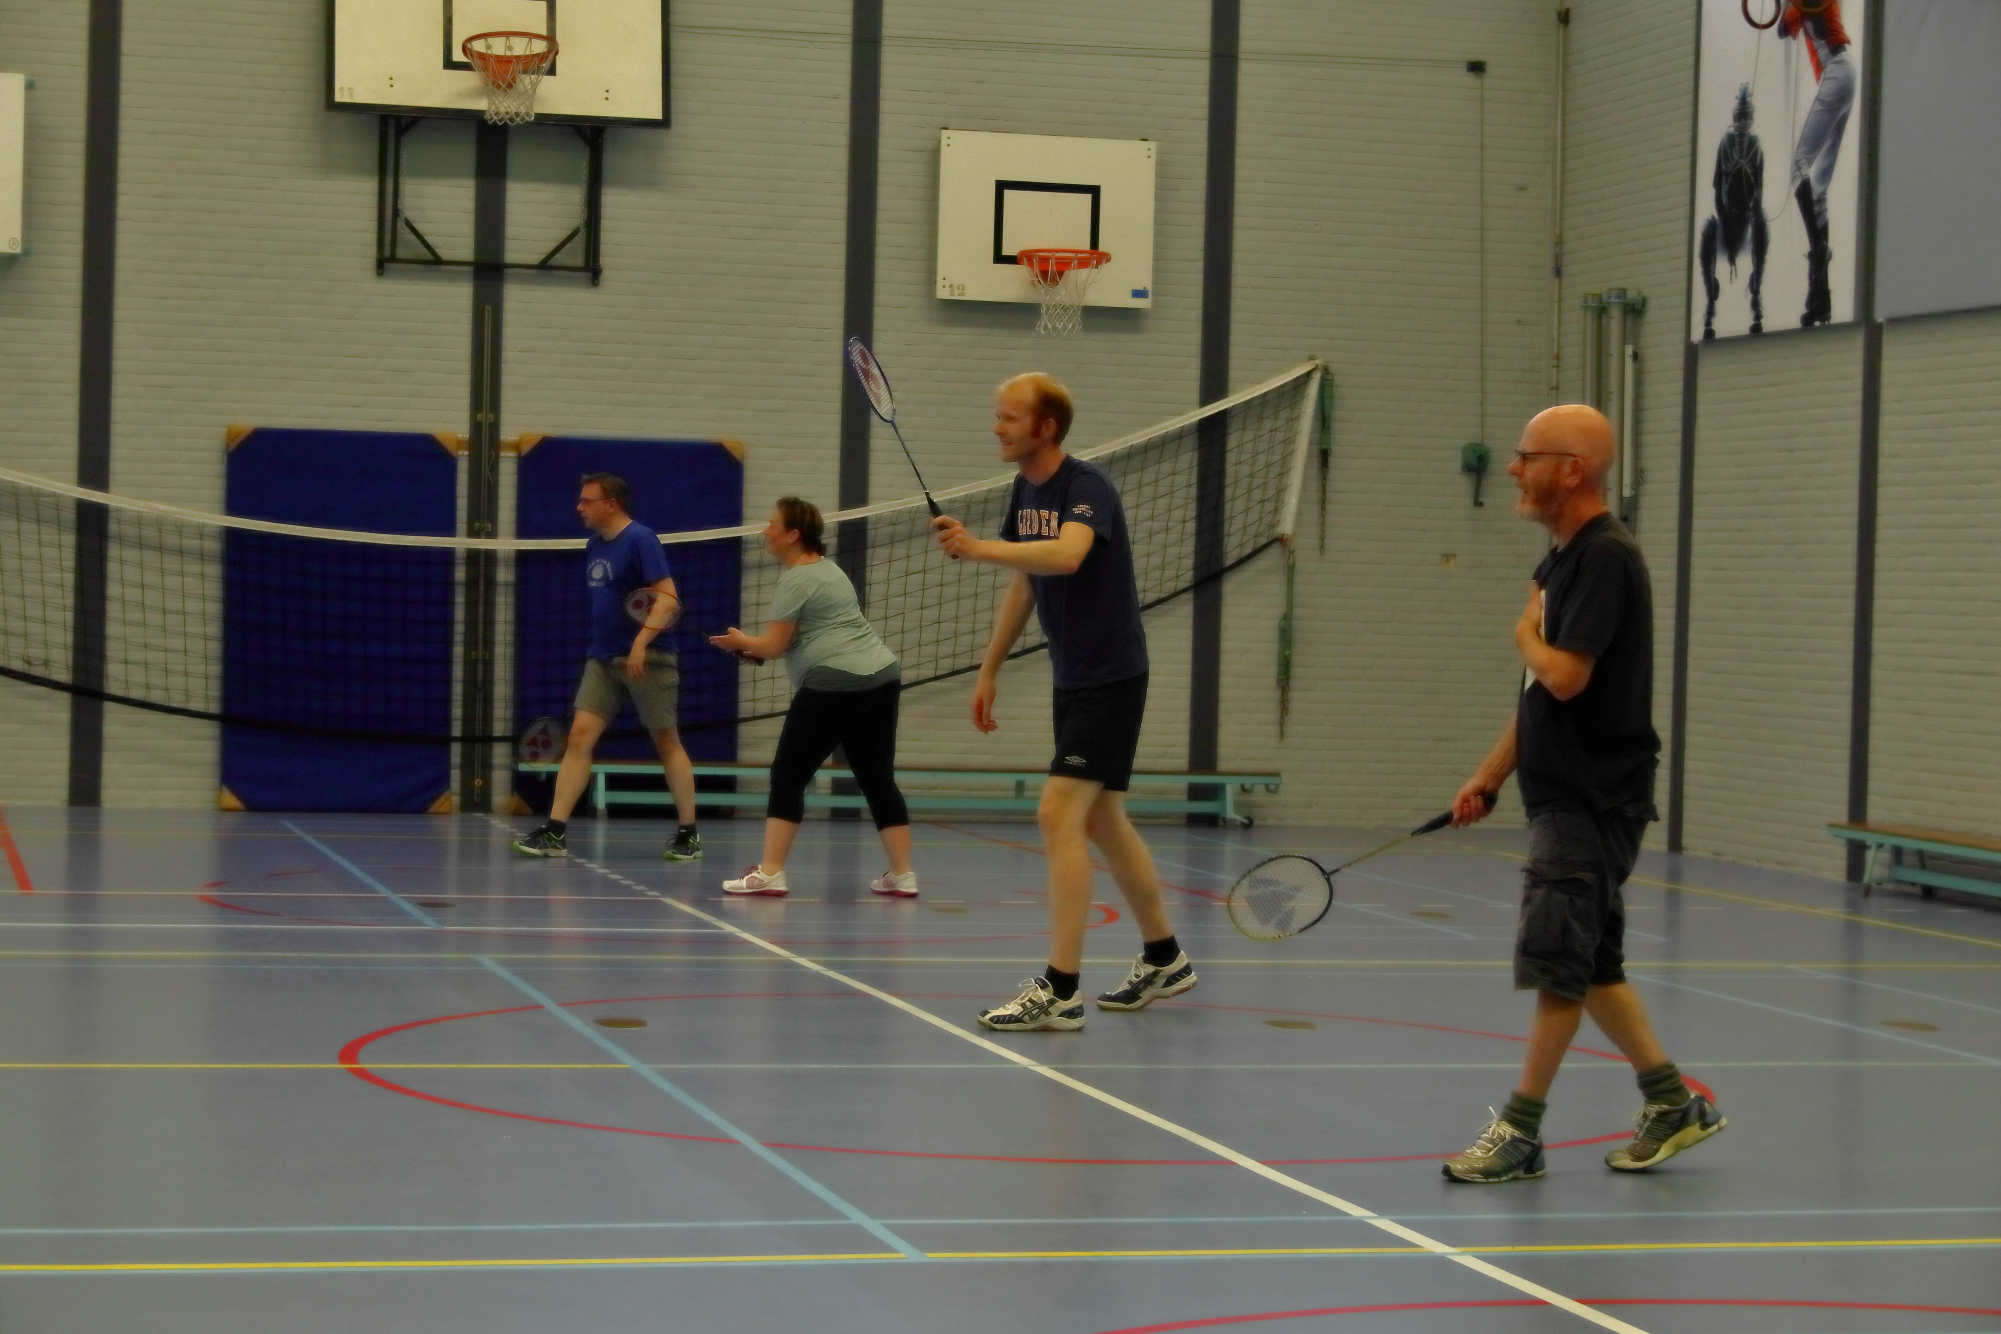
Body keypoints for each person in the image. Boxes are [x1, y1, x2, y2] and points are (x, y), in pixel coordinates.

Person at [1441, 405, 1724, 1183]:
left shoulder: (1605, 558)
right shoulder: (1562, 559)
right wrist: (1490, 774)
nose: (1512, 467)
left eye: (1526, 455)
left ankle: (1519, 1132)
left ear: (1570, 470)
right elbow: (1539, 693)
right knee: (1593, 963)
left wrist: (1523, 634)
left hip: (1590, 800)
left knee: (1557, 965)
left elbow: (1563, 675)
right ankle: (1671, 1103)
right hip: (1563, 796)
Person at [932, 372, 1195, 1032]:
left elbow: (1070, 555)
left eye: (1009, 417)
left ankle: (1060, 989)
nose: (997, 427)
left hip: (1111, 675)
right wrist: (988, 668)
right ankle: (1164, 958)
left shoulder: (1086, 486)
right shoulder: (1025, 490)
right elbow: (1027, 578)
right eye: (997, 415)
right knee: (1103, 819)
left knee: (1057, 812)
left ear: (1045, 427)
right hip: (1071, 675)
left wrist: (976, 547)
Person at [708, 497, 917, 899]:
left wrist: (740, 641)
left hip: (835, 682)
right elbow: (797, 639)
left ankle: (771, 873)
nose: (765, 531)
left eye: (772, 525)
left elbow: (773, 645)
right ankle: (903, 874)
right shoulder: (830, 571)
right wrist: (752, 647)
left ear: (793, 535)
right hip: (882, 676)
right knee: (877, 778)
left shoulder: (795, 580)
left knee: (788, 774)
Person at [512, 473, 702, 862]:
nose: (579, 507)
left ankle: (689, 834)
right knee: (579, 738)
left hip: (649, 660)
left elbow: (668, 598)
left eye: (587, 501)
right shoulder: (595, 544)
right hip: (602, 659)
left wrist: (640, 643)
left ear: (610, 504)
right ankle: (555, 831)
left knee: (666, 743)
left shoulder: (641, 539)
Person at [1777, 0, 1853, 326]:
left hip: (1836, 73)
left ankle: (1817, 249)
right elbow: (1785, 28)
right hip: (1842, 74)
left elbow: (1784, 27)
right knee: (1818, 190)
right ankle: (1821, 298)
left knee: (1799, 165)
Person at [1699, 84, 1769, 339]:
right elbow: (1718, 188)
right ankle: (1710, 296)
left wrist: (1754, 214)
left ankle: (1756, 288)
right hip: (1727, 214)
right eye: (1739, 116)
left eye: (1745, 116)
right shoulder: (1725, 143)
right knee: (1708, 231)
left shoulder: (1755, 145)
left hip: (1747, 215)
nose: (1741, 121)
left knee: (1762, 226)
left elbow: (1758, 190)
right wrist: (1724, 220)